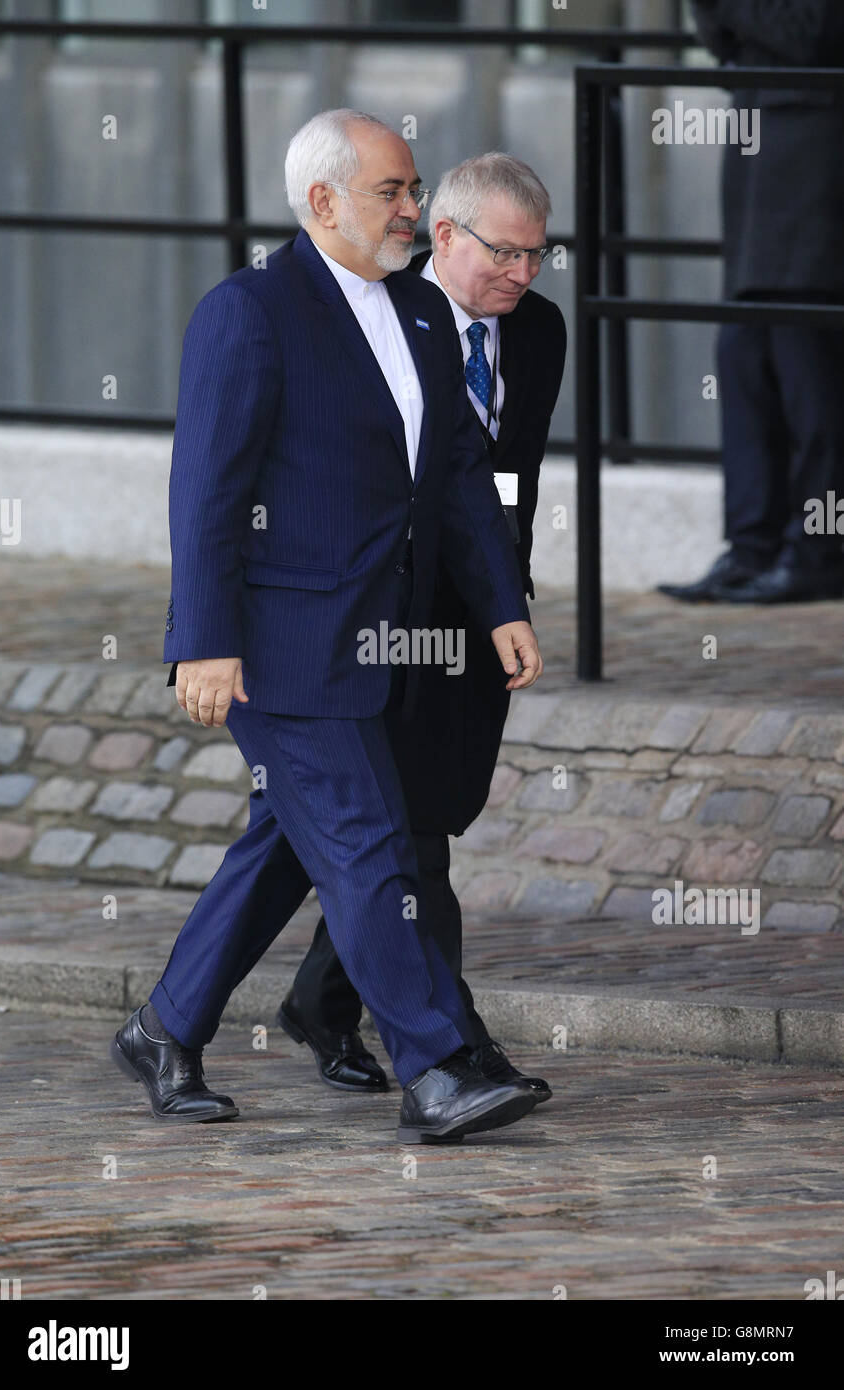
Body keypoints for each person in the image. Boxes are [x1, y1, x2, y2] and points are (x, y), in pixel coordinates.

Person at [109, 109, 547, 1145]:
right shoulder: (249, 313)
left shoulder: (423, 316)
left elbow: (452, 480)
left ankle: (163, 1027)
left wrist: (499, 606)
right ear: (321, 203)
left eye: (412, 188)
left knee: (288, 845)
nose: (410, 208)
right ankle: (436, 1066)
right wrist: (202, 639)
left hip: (384, 644)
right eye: (392, 192)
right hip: (279, 650)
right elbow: (205, 493)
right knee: (369, 847)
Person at [283, 153, 566, 1104]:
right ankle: (455, 1046)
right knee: (406, 836)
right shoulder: (383, 315)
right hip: (385, 616)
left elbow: (501, 481)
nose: (523, 276)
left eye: (538, 256)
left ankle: (314, 1000)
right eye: (505, 254)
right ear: (443, 237)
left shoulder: (541, 332)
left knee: (424, 811)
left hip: (481, 608)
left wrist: (504, 604)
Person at [660, 1, 844, 604]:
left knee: (808, 372)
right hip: (757, 145)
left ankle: (819, 549)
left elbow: (811, 32)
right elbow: (724, 48)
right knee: (743, 352)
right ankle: (751, 546)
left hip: (816, 155)